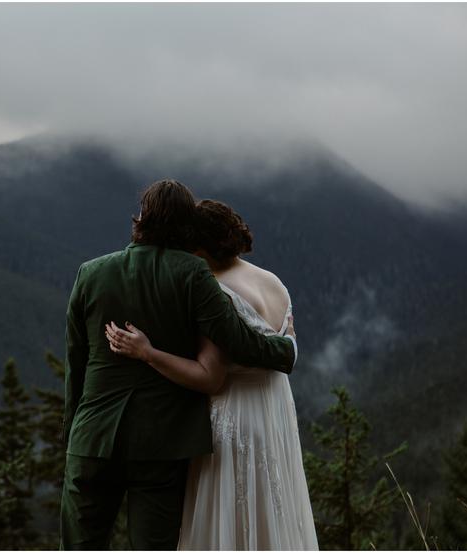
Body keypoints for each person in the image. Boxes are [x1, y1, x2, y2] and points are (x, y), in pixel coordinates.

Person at [60, 180, 297, 550]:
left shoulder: (89, 273)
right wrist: (286, 352)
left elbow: (76, 365)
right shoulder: (192, 274)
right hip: (161, 444)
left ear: (140, 218)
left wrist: (72, 436)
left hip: (91, 439)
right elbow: (236, 340)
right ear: (186, 225)